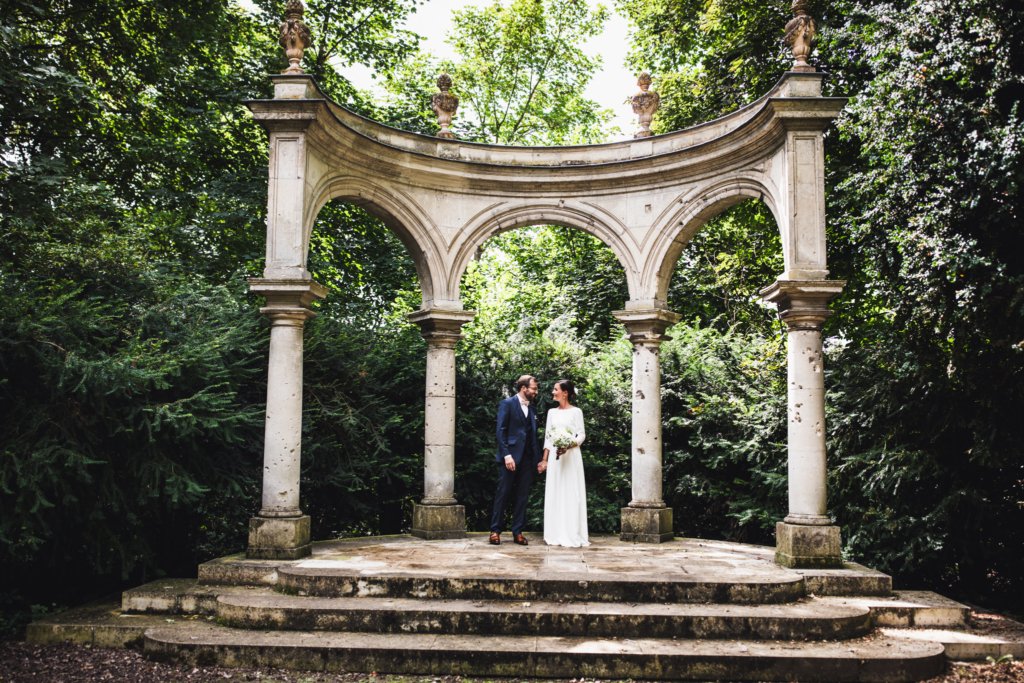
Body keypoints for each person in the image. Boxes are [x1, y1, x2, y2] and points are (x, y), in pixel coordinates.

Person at [490, 375, 541, 546]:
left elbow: (532, 437)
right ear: (523, 388)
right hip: (510, 457)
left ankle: (517, 531)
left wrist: (538, 460)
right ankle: (495, 531)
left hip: (528, 459)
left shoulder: (532, 409)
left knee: (522, 496)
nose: (536, 392)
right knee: (503, 493)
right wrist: (507, 455)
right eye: (533, 388)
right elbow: (500, 431)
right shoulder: (507, 404)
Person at [538, 379, 589, 547]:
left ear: (565, 393)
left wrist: (569, 445)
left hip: (571, 456)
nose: (553, 392)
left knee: (571, 492)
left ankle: (572, 533)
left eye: (556, 389)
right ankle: (555, 533)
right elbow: (548, 437)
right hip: (555, 458)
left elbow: (581, 434)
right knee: (556, 491)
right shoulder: (551, 412)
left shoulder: (576, 412)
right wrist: (544, 460)